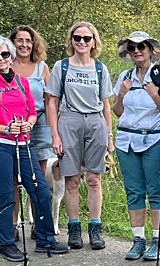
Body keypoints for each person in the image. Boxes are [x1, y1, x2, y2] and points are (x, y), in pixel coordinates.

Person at [0, 36, 67, 260]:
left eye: (5, 54)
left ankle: (45, 239)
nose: (1, 59)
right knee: (6, 195)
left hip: (23, 143)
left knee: (41, 190)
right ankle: (6, 244)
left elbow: (32, 111)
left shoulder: (22, 83)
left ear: (12, 56)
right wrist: (5, 129)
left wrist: (29, 123)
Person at [44, 21, 115, 251]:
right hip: (70, 120)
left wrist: (110, 135)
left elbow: (106, 104)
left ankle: (95, 228)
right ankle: (74, 228)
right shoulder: (61, 67)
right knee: (71, 179)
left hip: (95, 122)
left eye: (87, 38)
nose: (82, 42)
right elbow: (52, 102)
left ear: (94, 41)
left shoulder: (99, 69)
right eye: (77, 38)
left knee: (94, 179)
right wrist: (55, 135)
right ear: (71, 40)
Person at [113, 30, 160, 262]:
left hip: (154, 139)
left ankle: (159, 241)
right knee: (134, 190)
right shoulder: (124, 77)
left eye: (141, 47)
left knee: (156, 190)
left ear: (150, 50)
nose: (136, 51)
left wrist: (155, 94)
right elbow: (117, 112)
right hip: (126, 140)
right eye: (132, 47)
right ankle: (138, 240)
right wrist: (121, 95)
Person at [10, 25, 54, 213]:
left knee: (39, 176)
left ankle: (39, 222)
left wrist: (54, 128)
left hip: (39, 124)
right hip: (12, 125)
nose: (24, 44)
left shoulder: (42, 68)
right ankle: (14, 221)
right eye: (20, 40)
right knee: (13, 176)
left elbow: (50, 100)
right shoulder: (6, 65)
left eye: (28, 41)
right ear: (12, 43)